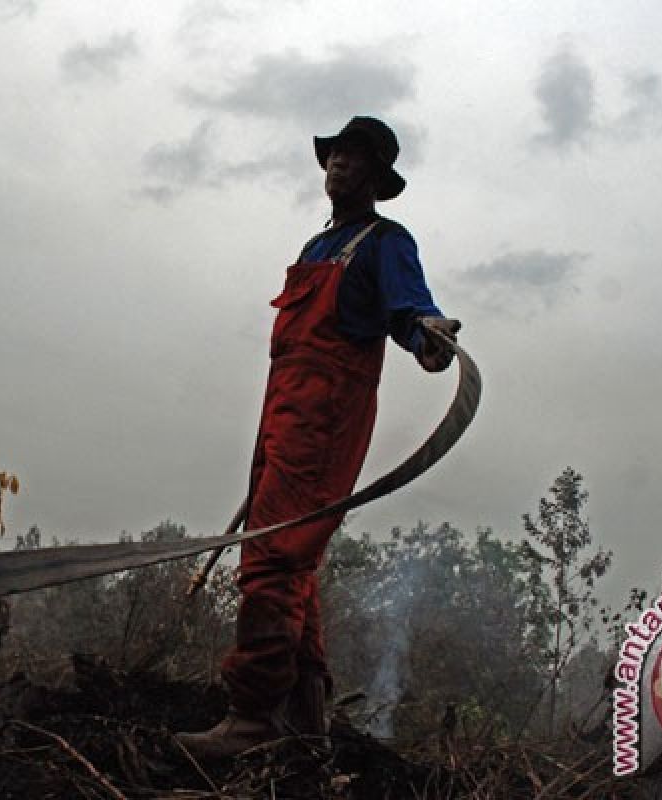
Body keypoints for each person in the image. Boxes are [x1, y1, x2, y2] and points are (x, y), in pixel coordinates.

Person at [177, 117, 461, 759]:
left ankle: (251, 716)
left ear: (375, 179)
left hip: (325, 421)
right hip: (280, 417)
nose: (339, 163)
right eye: (335, 153)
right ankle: (306, 724)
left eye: (354, 158)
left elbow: (411, 313)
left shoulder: (386, 242)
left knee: (273, 558)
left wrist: (429, 339)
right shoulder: (314, 249)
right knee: (292, 561)